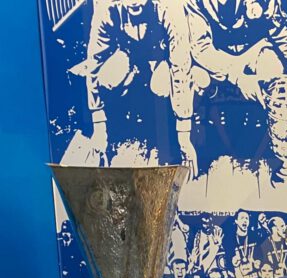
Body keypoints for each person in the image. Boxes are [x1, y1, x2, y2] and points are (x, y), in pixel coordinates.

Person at [77, 0, 197, 173]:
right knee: (106, 77)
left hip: (159, 60)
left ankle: (159, 119)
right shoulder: (106, 8)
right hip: (127, 56)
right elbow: (94, 64)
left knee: (161, 86)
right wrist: (99, 127)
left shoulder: (170, 7)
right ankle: (119, 121)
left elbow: (181, 69)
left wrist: (184, 136)